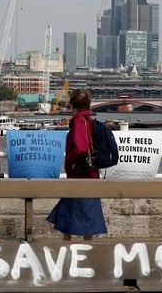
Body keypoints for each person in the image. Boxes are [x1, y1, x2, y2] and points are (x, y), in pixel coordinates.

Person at [46, 88, 107, 241]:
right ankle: (88, 249)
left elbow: (80, 147)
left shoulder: (79, 122)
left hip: (79, 174)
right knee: (87, 214)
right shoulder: (89, 120)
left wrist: (69, 159)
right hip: (91, 173)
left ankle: (67, 248)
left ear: (72, 104)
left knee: (70, 213)